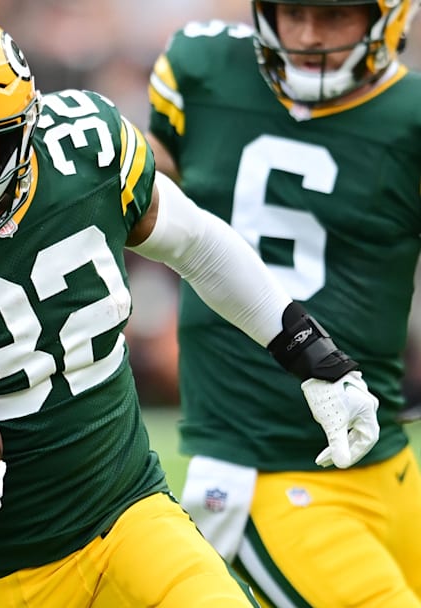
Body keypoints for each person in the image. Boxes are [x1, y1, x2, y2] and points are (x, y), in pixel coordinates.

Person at [0, 6, 382, 608]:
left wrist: (314, 354)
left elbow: (199, 244)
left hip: (128, 516)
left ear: (20, 133)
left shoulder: (86, 152)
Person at [147, 1, 421, 605]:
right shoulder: (202, 67)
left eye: (333, 15)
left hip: (385, 453)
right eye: (290, 11)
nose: (305, 36)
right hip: (260, 467)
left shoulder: (409, 116)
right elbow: (138, 199)